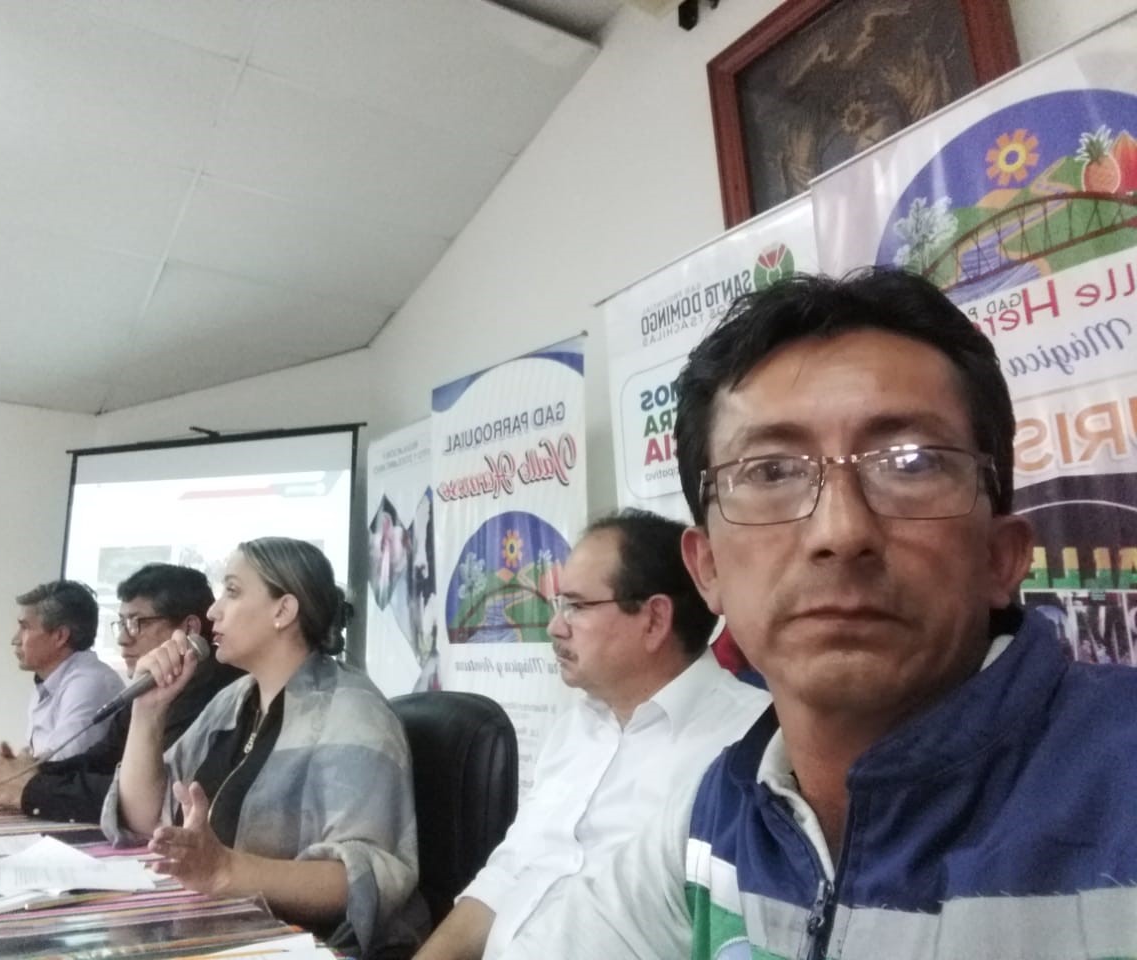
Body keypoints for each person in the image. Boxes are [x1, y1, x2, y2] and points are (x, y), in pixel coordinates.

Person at [498, 268, 1137, 960]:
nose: (841, 531)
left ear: (1000, 557)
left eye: (911, 462)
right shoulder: (715, 816)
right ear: (707, 570)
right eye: (770, 471)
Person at [416, 510, 769, 960]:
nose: (555, 626)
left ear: (654, 620)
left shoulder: (747, 747)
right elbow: (507, 874)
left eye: (577, 607)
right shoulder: (576, 727)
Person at [102, 537, 429, 958]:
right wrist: (147, 713)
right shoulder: (234, 700)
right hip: (225, 931)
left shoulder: (354, 715)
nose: (214, 611)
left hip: (309, 945)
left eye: (232, 591)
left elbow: (361, 882)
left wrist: (226, 870)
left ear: (283, 611)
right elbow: (145, 818)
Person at [0, 564, 242, 821]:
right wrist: (18, 771)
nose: (123, 639)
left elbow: (143, 796)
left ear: (189, 628)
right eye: (122, 623)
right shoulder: (152, 687)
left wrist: (30, 788)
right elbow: (101, 760)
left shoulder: (215, 691)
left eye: (137, 623)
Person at [0, 580, 123, 784]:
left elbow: (60, 767)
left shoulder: (89, 683)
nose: (15, 639)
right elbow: (40, 763)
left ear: (60, 636)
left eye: (24, 627)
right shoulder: (49, 681)